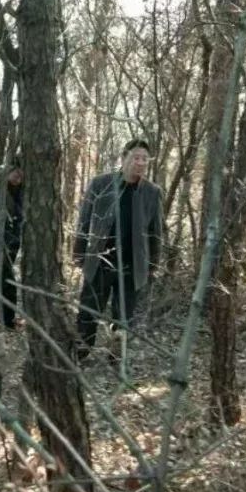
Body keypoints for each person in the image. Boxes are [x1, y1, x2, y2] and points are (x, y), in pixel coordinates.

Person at [72, 138, 163, 362]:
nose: (140, 163)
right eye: (135, 158)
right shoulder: (101, 184)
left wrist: (153, 264)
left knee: (124, 316)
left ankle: (115, 357)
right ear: (124, 158)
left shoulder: (152, 192)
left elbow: (156, 231)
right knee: (89, 310)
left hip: (133, 264)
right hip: (101, 259)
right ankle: (81, 353)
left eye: (144, 159)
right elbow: (84, 220)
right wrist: (79, 252)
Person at [0, 159, 24, 330]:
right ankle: (8, 321)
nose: (17, 178)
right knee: (4, 280)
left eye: (21, 176)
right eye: (15, 173)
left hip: (13, 240)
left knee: (3, 278)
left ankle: (6, 320)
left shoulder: (22, 189)